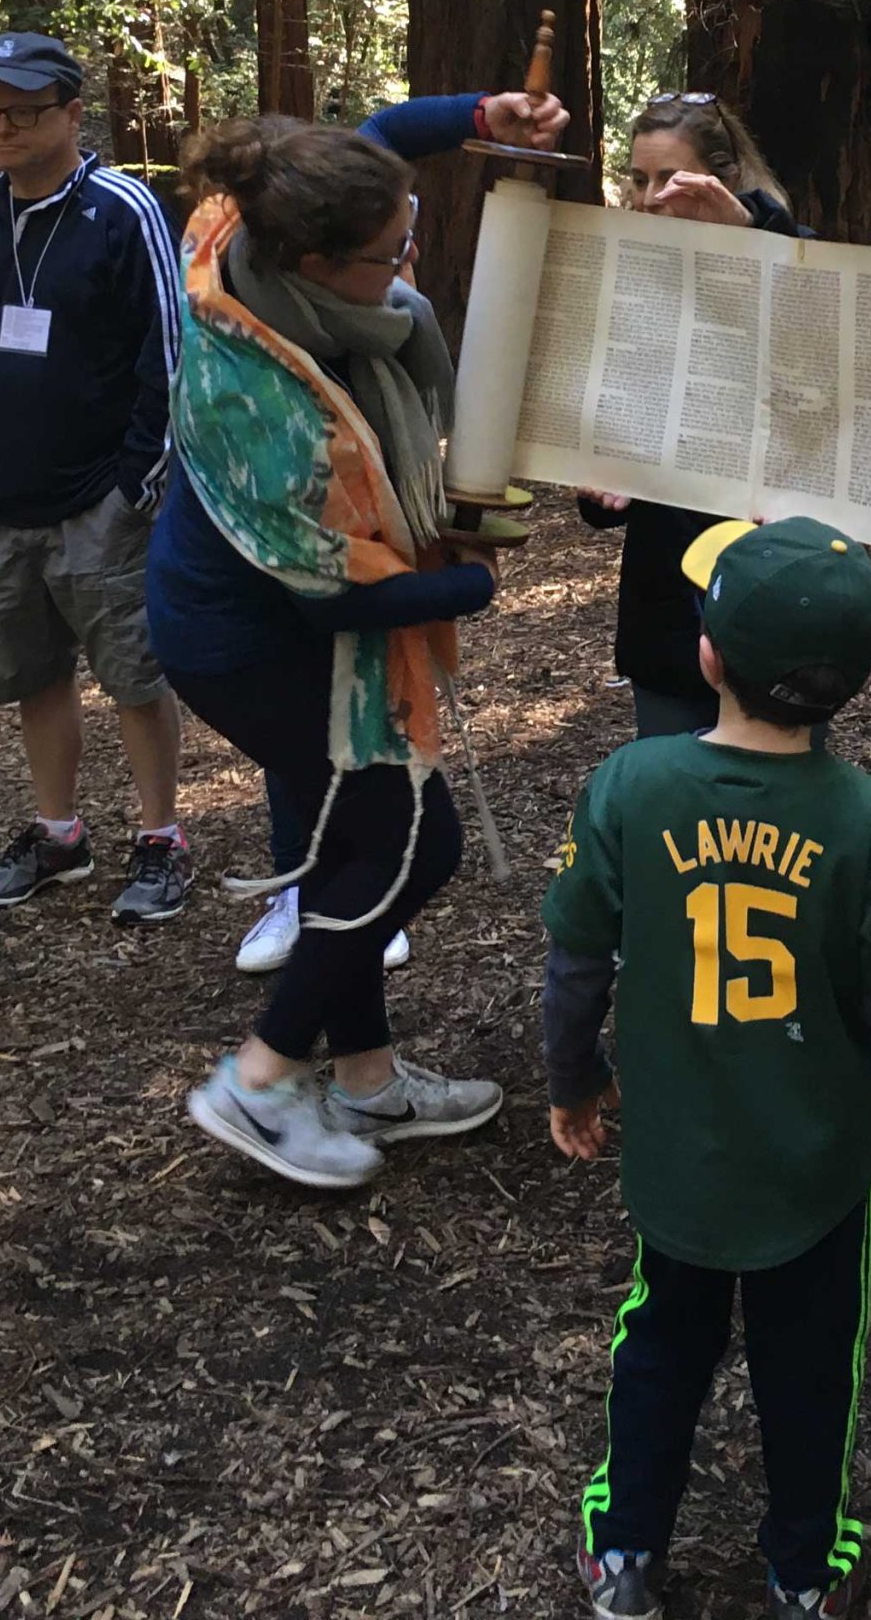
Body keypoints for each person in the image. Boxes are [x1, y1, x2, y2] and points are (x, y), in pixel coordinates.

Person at [151, 85, 564, 1191]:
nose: (409, 267)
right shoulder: (266, 404)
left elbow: (378, 135)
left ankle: (369, 1079)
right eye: (391, 255)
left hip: (280, 618)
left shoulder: (263, 213)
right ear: (317, 265)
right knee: (411, 842)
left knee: (359, 841)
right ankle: (260, 1078)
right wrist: (467, 586)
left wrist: (489, 109)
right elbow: (327, 600)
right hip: (248, 641)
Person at [543, 516, 871, 1620]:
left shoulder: (631, 785)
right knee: (814, 1360)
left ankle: (625, 1549)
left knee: (661, 1339)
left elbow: (578, 956)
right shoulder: (867, 821)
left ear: (707, 655)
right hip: (816, 1166)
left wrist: (570, 1080)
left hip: (678, 1154)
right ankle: (804, 1567)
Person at [0, 31, 187, 922]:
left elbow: (169, 350)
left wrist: (136, 485)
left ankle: (160, 838)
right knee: (33, 672)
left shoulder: (122, 211)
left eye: (23, 113)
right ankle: (59, 834)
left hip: (100, 499)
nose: (1, 130)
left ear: (73, 114)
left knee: (132, 672)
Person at [579, 92, 802, 739]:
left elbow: (825, 341)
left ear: (723, 180)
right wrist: (600, 482)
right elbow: (605, 486)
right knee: (678, 816)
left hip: (773, 600)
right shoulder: (636, 288)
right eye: (639, 178)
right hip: (669, 621)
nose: (650, 197)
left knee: (777, 820)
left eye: (670, 179)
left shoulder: (789, 259)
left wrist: (749, 234)